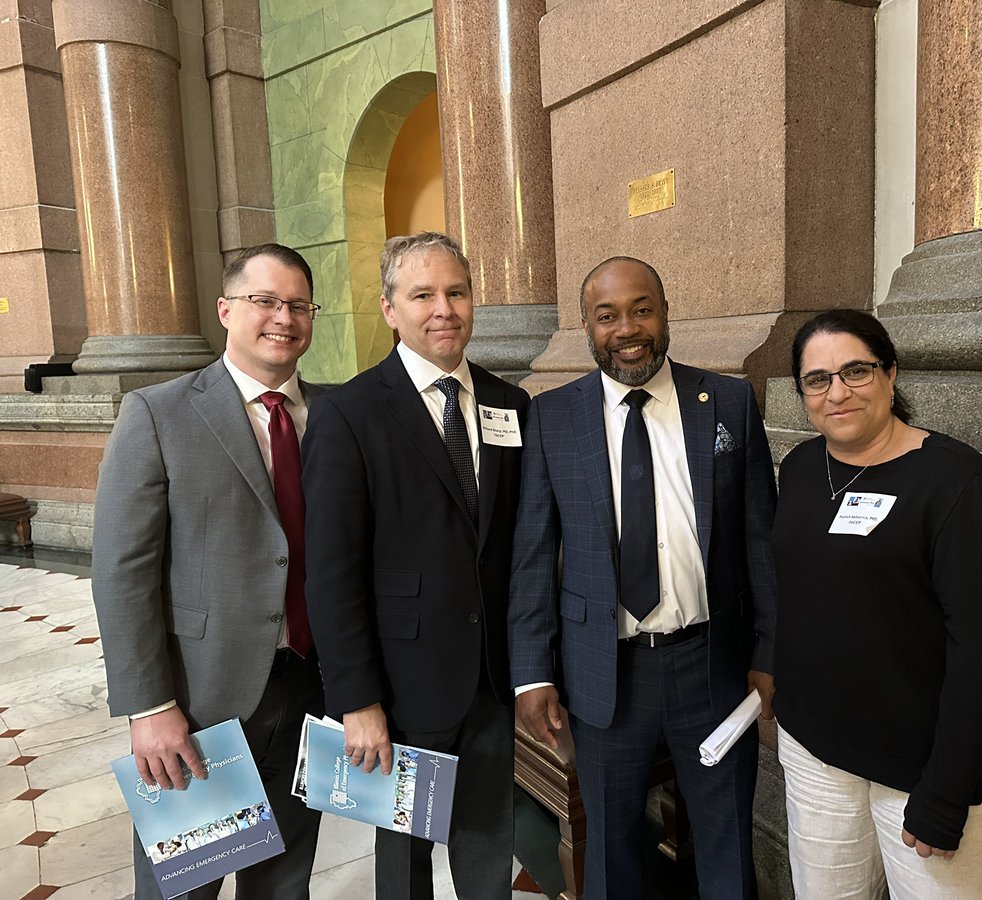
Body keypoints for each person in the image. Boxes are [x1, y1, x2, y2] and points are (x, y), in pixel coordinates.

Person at [508, 257, 777, 898]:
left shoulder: (729, 401)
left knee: (725, 843)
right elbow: (534, 554)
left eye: (641, 309)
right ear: (586, 327)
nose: (627, 328)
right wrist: (533, 672)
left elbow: (760, 540)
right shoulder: (553, 417)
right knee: (608, 850)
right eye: (607, 316)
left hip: (712, 664)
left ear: (664, 311)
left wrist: (770, 651)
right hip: (605, 676)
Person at [91, 243, 326, 898]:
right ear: (226, 309)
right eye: (265, 301)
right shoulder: (158, 413)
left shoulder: (336, 414)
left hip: (314, 690)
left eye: (299, 305)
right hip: (203, 702)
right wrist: (150, 705)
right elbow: (122, 570)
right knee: (187, 886)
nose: (284, 317)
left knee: (284, 882)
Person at [771, 308, 982, 899]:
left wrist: (946, 788)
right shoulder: (803, 468)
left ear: (890, 373)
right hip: (816, 751)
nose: (837, 392)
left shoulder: (960, 486)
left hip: (922, 767)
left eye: (855, 371)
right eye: (818, 379)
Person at [303, 231, 529, 900]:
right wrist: (357, 700)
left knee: (488, 835)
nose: (444, 309)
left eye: (456, 292)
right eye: (422, 294)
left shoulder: (508, 404)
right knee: (403, 854)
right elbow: (330, 573)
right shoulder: (349, 412)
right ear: (389, 309)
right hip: (400, 687)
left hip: (492, 676)